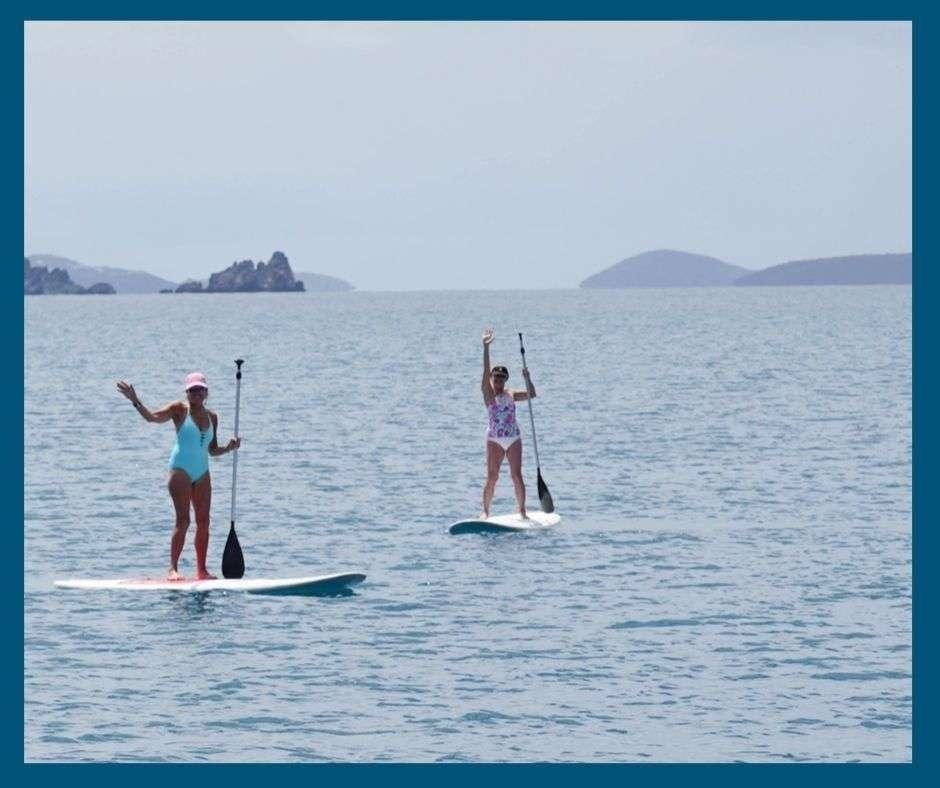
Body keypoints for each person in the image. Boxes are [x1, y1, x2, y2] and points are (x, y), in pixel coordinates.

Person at [116, 372, 240, 580]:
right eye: (192, 390)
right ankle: (172, 569)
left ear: (206, 392)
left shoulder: (213, 417)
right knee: (183, 521)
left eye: (200, 389)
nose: (196, 393)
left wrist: (229, 447)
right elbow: (152, 418)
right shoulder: (179, 410)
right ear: (187, 393)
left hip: (202, 472)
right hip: (180, 471)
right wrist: (135, 401)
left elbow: (212, 449)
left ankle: (202, 570)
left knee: (204, 522)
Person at [480, 329, 536, 519]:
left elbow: (532, 394)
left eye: (501, 378)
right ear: (491, 379)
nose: (498, 381)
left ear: (505, 380)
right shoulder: (488, 394)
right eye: (495, 378)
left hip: (513, 438)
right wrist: (486, 347)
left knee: (516, 475)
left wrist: (528, 378)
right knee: (492, 477)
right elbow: (485, 371)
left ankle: (522, 511)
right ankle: (485, 512)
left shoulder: (511, 394)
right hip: (494, 439)